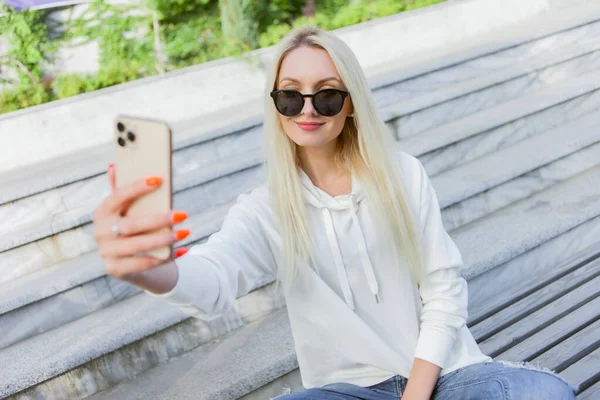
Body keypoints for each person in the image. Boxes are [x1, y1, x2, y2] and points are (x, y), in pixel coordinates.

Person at [92, 26, 577, 400]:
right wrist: (152, 270)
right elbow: (215, 281)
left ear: (351, 105)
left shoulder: (402, 174)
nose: (308, 108)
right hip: (346, 390)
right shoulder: (266, 209)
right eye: (289, 95)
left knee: (544, 393)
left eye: (327, 93)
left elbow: (444, 294)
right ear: (275, 106)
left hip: (441, 379)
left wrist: (414, 394)